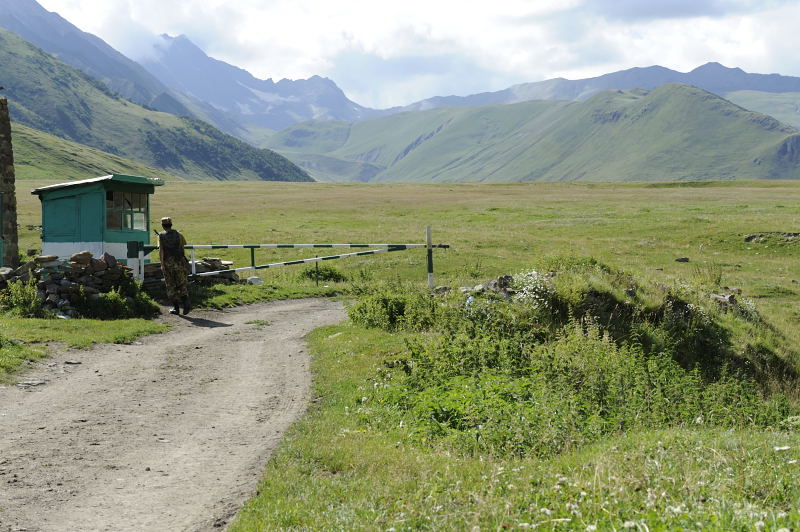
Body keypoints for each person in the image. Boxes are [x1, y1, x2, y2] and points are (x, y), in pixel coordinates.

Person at [158, 216, 191, 315]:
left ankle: (176, 308)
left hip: (168, 265)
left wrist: (162, 264)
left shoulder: (160, 236)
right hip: (180, 262)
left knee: (170, 286)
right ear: (171, 225)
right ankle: (186, 303)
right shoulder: (179, 234)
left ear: (163, 226)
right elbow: (183, 246)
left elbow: (161, 251)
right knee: (182, 283)